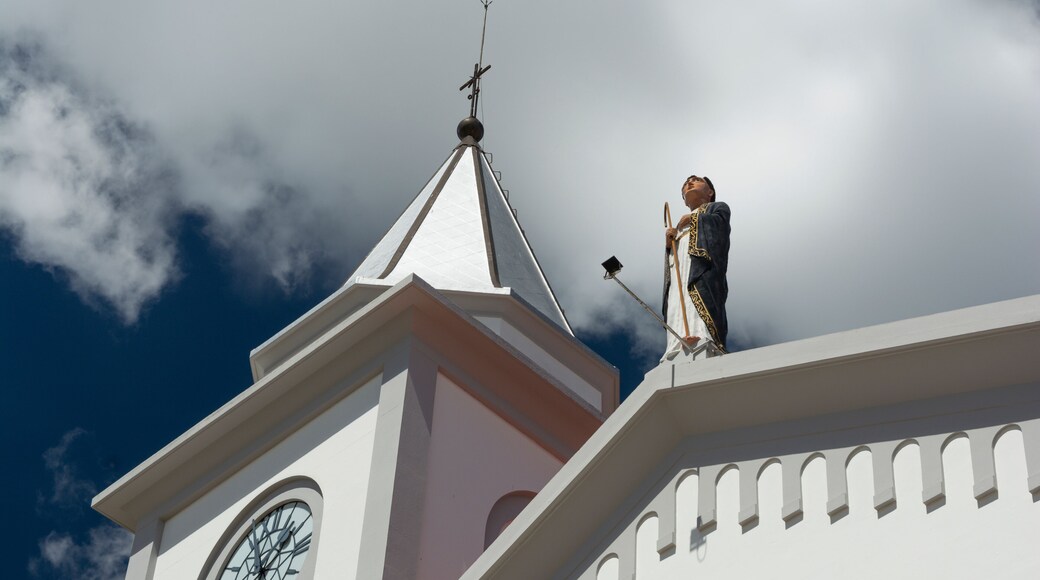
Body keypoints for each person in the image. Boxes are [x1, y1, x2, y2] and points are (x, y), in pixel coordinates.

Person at [662, 175, 730, 362]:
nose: (689, 184)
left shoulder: (717, 208)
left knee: (699, 294)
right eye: (685, 184)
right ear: (684, 200)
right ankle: (677, 342)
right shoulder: (679, 227)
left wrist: (694, 218)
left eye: (696, 181)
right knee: (677, 297)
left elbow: (720, 230)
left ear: (710, 192)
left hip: (703, 267)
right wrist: (670, 245)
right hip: (681, 269)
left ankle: (702, 335)